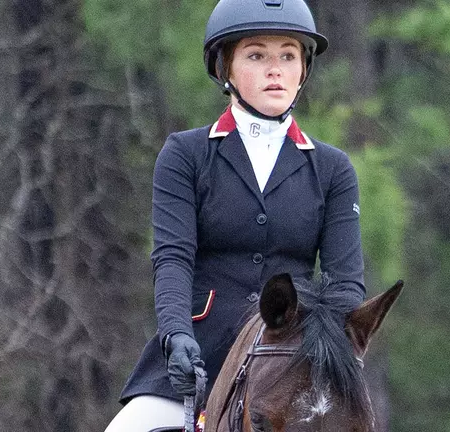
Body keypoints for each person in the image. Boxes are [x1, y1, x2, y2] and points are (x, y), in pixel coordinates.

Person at [104, 0, 365, 430]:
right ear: (225, 67)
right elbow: (172, 258)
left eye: (287, 55)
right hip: (198, 355)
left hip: (290, 364)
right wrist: (175, 335)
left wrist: (336, 356)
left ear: (303, 69)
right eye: (256, 55)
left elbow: (345, 285)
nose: (275, 69)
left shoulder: (333, 169)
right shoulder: (185, 155)